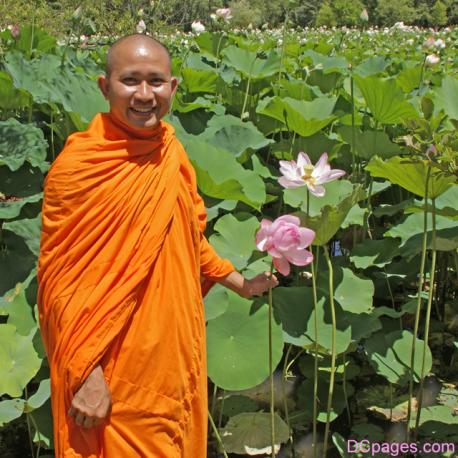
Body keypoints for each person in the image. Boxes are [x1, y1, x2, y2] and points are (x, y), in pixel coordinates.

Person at [37, 33, 278, 458]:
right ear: (104, 86)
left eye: (156, 81)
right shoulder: (79, 168)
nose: (145, 94)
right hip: (113, 369)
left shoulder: (171, 153)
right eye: (131, 80)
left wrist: (239, 282)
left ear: (174, 88)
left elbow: (185, 235)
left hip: (173, 357)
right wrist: (86, 373)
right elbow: (60, 285)